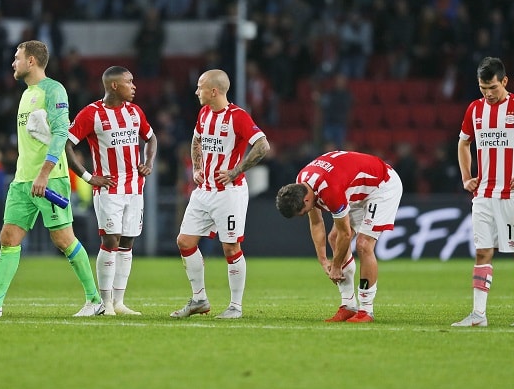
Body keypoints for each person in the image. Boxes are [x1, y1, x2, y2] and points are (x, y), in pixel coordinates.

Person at [0, 40, 103, 318]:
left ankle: (94, 300)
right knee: (9, 236)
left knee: (63, 239)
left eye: (17, 57)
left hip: (49, 178)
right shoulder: (26, 94)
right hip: (23, 179)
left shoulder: (54, 90)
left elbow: (62, 134)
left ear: (32, 61)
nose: (13, 63)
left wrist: (44, 173)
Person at [452, 57, 514, 328]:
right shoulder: (474, 109)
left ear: (504, 81)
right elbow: (463, 144)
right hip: (483, 195)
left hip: (512, 196)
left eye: (493, 88)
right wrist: (465, 177)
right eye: (483, 88)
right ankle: (478, 315)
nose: (488, 94)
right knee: (482, 253)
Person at [170, 69, 270, 320]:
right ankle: (199, 300)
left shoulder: (238, 117)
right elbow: (196, 141)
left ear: (213, 91)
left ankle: (235, 307)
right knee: (184, 241)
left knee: (230, 246)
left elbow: (263, 145)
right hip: (203, 191)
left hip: (229, 193)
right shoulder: (204, 113)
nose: (196, 91)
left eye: (200, 87)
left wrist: (236, 170)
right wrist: (198, 167)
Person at [66, 65, 158, 316]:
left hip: (135, 188)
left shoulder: (136, 112)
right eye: (129, 82)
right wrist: (87, 176)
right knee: (111, 240)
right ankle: (104, 303)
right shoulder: (91, 114)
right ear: (114, 86)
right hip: (109, 189)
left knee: (127, 242)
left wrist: (148, 163)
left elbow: (151, 138)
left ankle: (119, 302)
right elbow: (67, 144)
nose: (134, 86)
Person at [275, 150, 403, 323]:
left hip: (382, 186)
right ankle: (348, 306)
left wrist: (335, 266)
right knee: (334, 239)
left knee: (364, 245)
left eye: (302, 212)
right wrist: (323, 260)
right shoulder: (302, 183)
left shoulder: (329, 190)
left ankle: (366, 310)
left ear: (306, 200)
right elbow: (316, 223)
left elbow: (345, 233)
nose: (304, 215)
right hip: (356, 189)